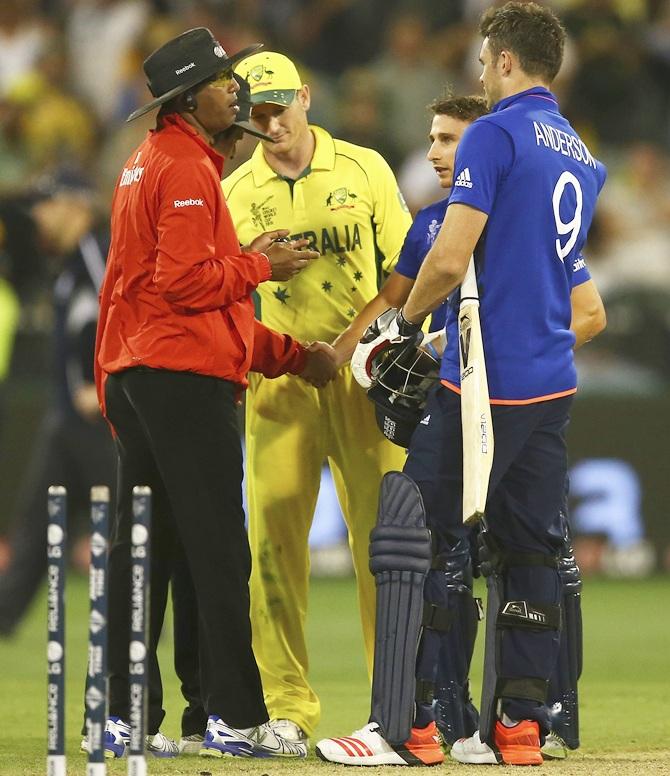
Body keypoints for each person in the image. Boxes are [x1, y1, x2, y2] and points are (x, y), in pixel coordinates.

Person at [317, 2, 606, 767]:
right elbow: (584, 305)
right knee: (530, 550)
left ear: (506, 62)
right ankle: (517, 725)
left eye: (484, 62)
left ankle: (402, 726)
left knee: (413, 540)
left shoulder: (495, 134)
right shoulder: (579, 152)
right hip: (550, 387)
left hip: (482, 384)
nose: (481, 72)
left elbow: (448, 259)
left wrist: (402, 328)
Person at [91, 27, 336, 760]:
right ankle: (233, 716)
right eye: (222, 80)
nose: (235, 88)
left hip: (138, 375)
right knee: (220, 550)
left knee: (151, 550)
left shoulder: (147, 161)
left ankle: (123, 718)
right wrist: (261, 266)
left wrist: (291, 355)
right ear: (188, 100)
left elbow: (191, 303)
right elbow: (187, 286)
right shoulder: (187, 168)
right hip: (178, 382)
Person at [222, 51, 412, 745]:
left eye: (281, 107)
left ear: (307, 96)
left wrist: (354, 347)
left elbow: (404, 270)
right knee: (272, 547)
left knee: (385, 550)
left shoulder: (364, 170)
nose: (272, 123)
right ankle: (288, 712)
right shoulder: (235, 191)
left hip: (363, 379)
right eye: (258, 114)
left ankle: (395, 707)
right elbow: (224, 295)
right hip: (279, 384)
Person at [0, 181, 116, 638]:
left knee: (129, 526)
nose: (40, 218)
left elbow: (122, 313)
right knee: (35, 527)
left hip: (101, 422)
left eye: (47, 206)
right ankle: (4, 615)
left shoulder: (97, 252)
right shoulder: (67, 263)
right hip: (67, 421)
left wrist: (102, 384)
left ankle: (144, 615)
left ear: (74, 205)